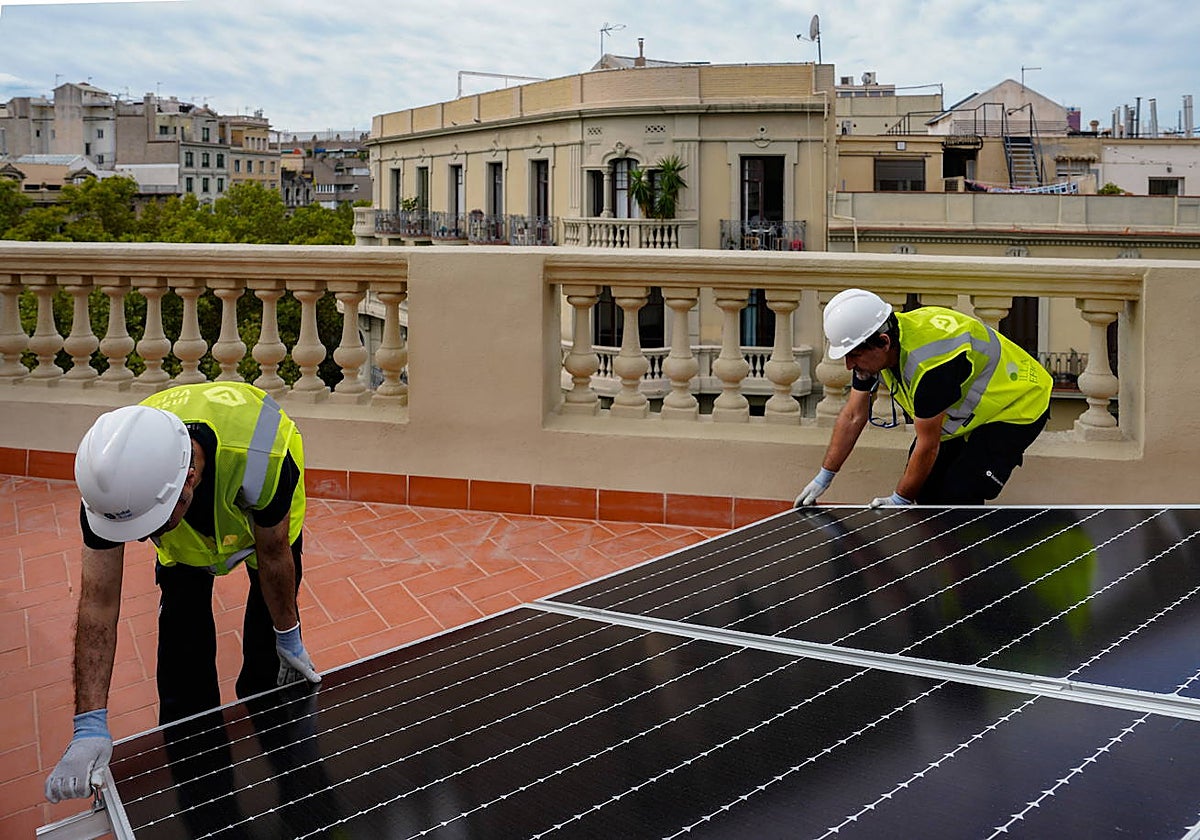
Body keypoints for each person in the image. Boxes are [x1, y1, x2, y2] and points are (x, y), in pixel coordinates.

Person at [45, 382, 321, 804]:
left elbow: (274, 553)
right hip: (189, 538)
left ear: (188, 478)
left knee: (268, 661)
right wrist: (89, 722)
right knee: (182, 666)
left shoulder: (261, 459)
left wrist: (289, 635)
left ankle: (291, 774)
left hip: (264, 524)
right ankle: (201, 793)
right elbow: (97, 603)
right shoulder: (114, 481)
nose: (141, 540)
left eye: (152, 524)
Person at [796, 288, 1051, 508]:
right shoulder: (880, 343)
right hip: (973, 408)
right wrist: (825, 476)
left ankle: (970, 561)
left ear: (884, 342)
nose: (849, 365)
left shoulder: (931, 367)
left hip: (1018, 403)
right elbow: (853, 415)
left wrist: (899, 500)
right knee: (925, 486)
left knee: (960, 492)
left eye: (853, 355)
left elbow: (928, 446)